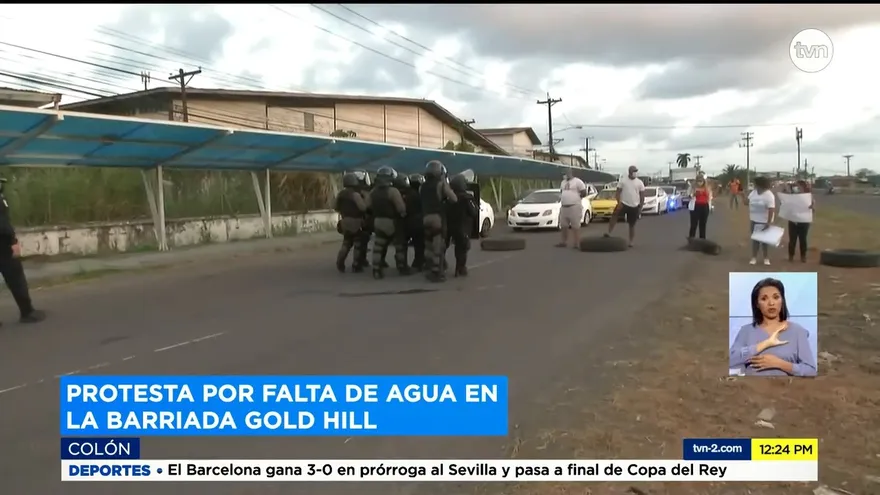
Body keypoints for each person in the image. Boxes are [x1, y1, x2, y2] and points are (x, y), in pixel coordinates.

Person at [728, 277, 817, 377]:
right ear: (757, 304)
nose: (771, 303)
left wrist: (779, 364)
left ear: (782, 300)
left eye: (776, 297)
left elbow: (811, 370)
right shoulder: (746, 331)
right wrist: (766, 344)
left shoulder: (798, 331)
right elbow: (730, 360)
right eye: (764, 299)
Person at [0, 178, 46, 325]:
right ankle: (27, 312)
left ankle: (27, 310)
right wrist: (12, 241)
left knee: (16, 277)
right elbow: (3, 223)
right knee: (16, 277)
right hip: (3, 246)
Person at [420, 160, 457, 283]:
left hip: (425, 218)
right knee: (438, 246)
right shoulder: (441, 184)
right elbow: (454, 199)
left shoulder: (422, 186)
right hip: (437, 217)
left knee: (429, 246)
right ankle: (437, 272)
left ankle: (431, 268)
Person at [368, 166, 407, 279]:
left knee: (378, 246)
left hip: (378, 221)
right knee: (399, 246)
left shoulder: (373, 192)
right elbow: (401, 208)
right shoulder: (393, 191)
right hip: (391, 221)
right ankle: (401, 267)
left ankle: (376, 270)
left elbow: (367, 206)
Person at [334, 172, 370, 273]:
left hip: (344, 221)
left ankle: (340, 260)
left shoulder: (341, 194)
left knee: (346, 242)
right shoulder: (355, 195)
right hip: (356, 221)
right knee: (358, 243)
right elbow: (363, 207)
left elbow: (335, 207)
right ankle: (356, 265)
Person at [446, 173, 478, 277]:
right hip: (464, 228)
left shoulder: (450, 198)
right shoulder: (467, 198)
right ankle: (461, 268)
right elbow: (474, 212)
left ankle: (455, 267)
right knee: (463, 248)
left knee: (456, 247)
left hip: (451, 227)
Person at [605, 165, 645, 247]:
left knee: (632, 224)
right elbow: (618, 192)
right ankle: (609, 232)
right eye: (634, 171)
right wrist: (618, 202)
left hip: (634, 205)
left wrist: (640, 207)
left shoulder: (639, 182)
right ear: (630, 172)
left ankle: (631, 241)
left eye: (636, 171)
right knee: (614, 216)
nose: (635, 173)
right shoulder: (623, 181)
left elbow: (642, 196)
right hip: (623, 203)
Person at [744, 176, 776, 266]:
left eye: (755, 184)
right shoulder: (753, 193)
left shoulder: (769, 195)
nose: (754, 185)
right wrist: (743, 195)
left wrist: (768, 222)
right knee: (755, 240)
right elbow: (746, 203)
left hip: (764, 220)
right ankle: (754, 257)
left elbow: (771, 209)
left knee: (765, 241)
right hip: (754, 219)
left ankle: (766, 258)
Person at [556, 168, 587, 249]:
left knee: (575, 225)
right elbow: (561, 191)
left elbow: (584, 192)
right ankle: (563, 242)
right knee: (563, 225)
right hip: (564, 206)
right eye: (564, 173)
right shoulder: (563, 182)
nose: (566, 175)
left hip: (574, 206)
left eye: (567, 173)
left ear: (571, 173)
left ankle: (576, 243)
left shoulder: (578, 181)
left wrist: (576, 198)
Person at [787, 180, 814, 263]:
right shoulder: (792, 195)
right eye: (796, 186)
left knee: (803, 239)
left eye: (798, 186)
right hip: (793, 220)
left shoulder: (808, 196)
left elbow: (813, 208)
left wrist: (811, 206)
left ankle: (803, 256)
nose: (797, 187)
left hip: (804, 220)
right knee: (792, 239)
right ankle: (791, 256)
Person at [405, 174, 426, 271]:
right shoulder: (418, 196)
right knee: (419, 244)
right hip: (417, 222)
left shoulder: (407, 194)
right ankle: (418, 263)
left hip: (408, 221)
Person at [687, 176, 713, 240]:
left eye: (701, 181)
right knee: (693, 224)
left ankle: (702, 240)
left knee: (703, 224)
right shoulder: (692, 187)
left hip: (704, 206)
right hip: (695, 207)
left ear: (703, 181)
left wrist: (711, 207)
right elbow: (689, 195)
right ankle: (691, 240)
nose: (699, 183)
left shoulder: (707, 188)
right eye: (698, 181)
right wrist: (693, 194)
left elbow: (710, 197)